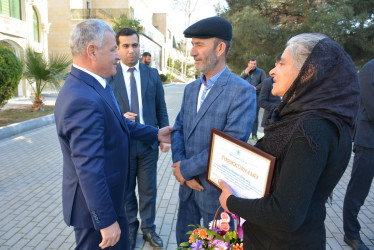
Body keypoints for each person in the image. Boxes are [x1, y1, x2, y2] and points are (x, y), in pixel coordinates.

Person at [219, 33, 360, 249]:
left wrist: (231, 202)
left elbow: (286, 214)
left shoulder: (311, 129)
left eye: (282, 64)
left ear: (308, 72)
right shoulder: (309, 118)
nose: (272, 71)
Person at [54, 19, 171, 250]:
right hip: (96, 213)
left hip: (109, 199)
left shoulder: (97, 84)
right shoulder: (82, 99)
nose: (118, 55)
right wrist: (106, 221)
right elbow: (89, 167)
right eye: (113, 49)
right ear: (92, 52)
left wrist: (156, 134)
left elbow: (120, 124)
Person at [171, 16, 256, 246]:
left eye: (199, 44)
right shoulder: (190, 90)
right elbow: (178, 130)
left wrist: (185, 169)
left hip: (217, 197)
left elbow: (230, 147)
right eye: (192, 44)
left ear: (220, 48)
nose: (191, 51)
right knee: (184, 243)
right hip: (187, 191)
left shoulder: (243, 92)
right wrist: (181, 169)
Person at [107, 28, 169, 249]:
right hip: (122, 145)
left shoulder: (151, 74)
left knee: (148, 190)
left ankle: (149, 230)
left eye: (135, 45)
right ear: (118, 48)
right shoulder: (110, 76)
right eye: (125, 46)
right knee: (125, 192)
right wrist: (119, 117)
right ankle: (130, 228)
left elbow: (160, 107)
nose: (131, 50)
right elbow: (103, 111)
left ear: (139, 47)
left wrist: (164, 138)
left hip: (148, 144)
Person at [343, 59, 374, 250]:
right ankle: (351, 233)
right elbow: (371, 107)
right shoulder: (370, 68)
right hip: (369, 142)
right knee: (358, 191)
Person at [240, 58, 266, 141]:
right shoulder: (245, 71)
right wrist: (245, 73)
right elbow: (239, 81)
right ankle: (243, 134)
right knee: (244, 115)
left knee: (255, 116)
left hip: (256, 96)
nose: (253, 65)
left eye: (254, 64)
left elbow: (264, 82)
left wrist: (256, 88)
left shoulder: (261, 72)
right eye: (251, 64)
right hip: (245, 97)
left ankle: (254, 135)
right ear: (248, 64)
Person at [258, 54, 282, 128]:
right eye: (281, 64)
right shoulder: (268, 82)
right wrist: (279, 107)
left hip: (284, 122)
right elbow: (261, 102)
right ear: (276, 64)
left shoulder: (291, 82)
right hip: (269, 120)